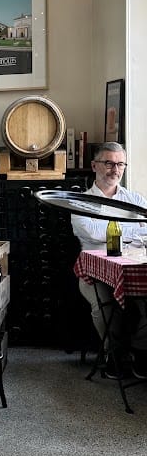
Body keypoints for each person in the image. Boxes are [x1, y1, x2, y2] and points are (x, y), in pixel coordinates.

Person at [71, 141, 147, 379]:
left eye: (120, 164)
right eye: (109, 163)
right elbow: (92, 232)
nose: (115, 169)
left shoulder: (134, 199)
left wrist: (113, 229)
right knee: (104, 305)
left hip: (131, 268)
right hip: (94, 273)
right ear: (94, 165)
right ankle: (113, 353)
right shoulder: (80, 201)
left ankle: (139, 351)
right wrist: (132, 228)